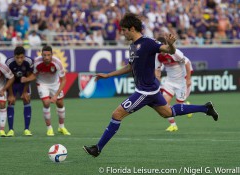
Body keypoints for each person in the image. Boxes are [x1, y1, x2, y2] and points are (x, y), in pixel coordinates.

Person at [83, 13, 219, 157]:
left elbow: (168, 50)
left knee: (116, 114)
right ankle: (205, 108)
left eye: (124, 30)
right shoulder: (133, 46)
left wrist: (171, 44)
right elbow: (130, 67)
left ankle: (97, 148)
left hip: (145, 91)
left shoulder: (148, 42)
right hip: (150, 89)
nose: (122, 33)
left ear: (132, 28)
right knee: (168, 112)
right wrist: (108, 75)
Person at [21, 46, 71, 136]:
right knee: (46, 103)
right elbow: (35, 75)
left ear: (52, 55)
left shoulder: (57, 63)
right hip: (42, 84)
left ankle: (61, 127)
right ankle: (49, 128)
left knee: (60, 103)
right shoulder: (37, 62)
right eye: (44, 55)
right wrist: (27, 79)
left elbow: (64, 80)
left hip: (55, 84)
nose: (46, 57)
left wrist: (55, 96)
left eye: (48, 55)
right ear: (41, 55)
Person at [155, 36, 193, 132]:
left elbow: (187, 63)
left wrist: (188, 79)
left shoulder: (175, 53)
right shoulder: (158, 56)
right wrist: (156, 82)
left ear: (166, 45)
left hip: (181, 82)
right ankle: (173, 125)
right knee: (163, 105)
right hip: (169, 82)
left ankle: (186, 105)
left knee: (179, 107)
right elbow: (157, 70)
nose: (160, 50)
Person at [5, 46, 34, 137]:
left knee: (26, 100)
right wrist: (10, 94)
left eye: (21, 57)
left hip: (23, 83)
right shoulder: (9, 62)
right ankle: (10, 130)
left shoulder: (29, 62)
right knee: (11, 101)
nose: (19, 60)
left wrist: (25, 92)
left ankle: (27, 129)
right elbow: (8, 78)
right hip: (12, 83)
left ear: (24, 56)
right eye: (17, 58)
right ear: (14, 56)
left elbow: (28, 77)